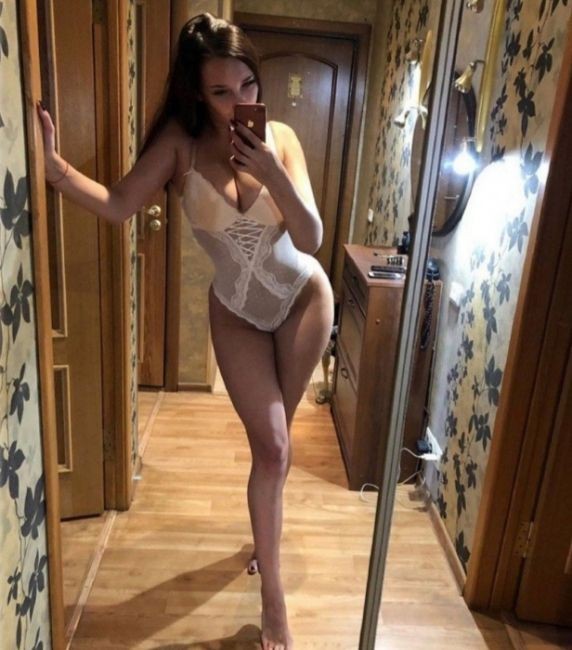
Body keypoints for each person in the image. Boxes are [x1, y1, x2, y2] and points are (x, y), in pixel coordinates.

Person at [38, 12, 334, 650]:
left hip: (303, 300)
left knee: (276, 447)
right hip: (236, 312)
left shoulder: (280, 138)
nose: (238, 102)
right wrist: (56, 170)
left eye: (248, 85)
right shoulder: (180, 144)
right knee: (273, 445)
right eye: (221, 91)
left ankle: (264, 551)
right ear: (196, 92)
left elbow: (311, 238)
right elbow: (119, 205)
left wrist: (274, 172)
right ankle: (273, 594)